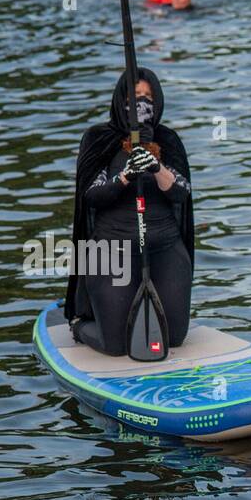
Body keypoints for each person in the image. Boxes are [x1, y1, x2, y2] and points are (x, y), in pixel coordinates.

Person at [65, 68, 194, 357]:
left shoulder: (167, 141)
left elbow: (181, 193)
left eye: (148, 97)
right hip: (111, 251)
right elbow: (91, 198)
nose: (143, 103)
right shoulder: (100, 140)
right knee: (115, 346)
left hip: (163, 248)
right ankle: (79, 325)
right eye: (135, 97)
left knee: (173, 340)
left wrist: (156, 168)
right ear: (120, 100)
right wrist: (125, 176)